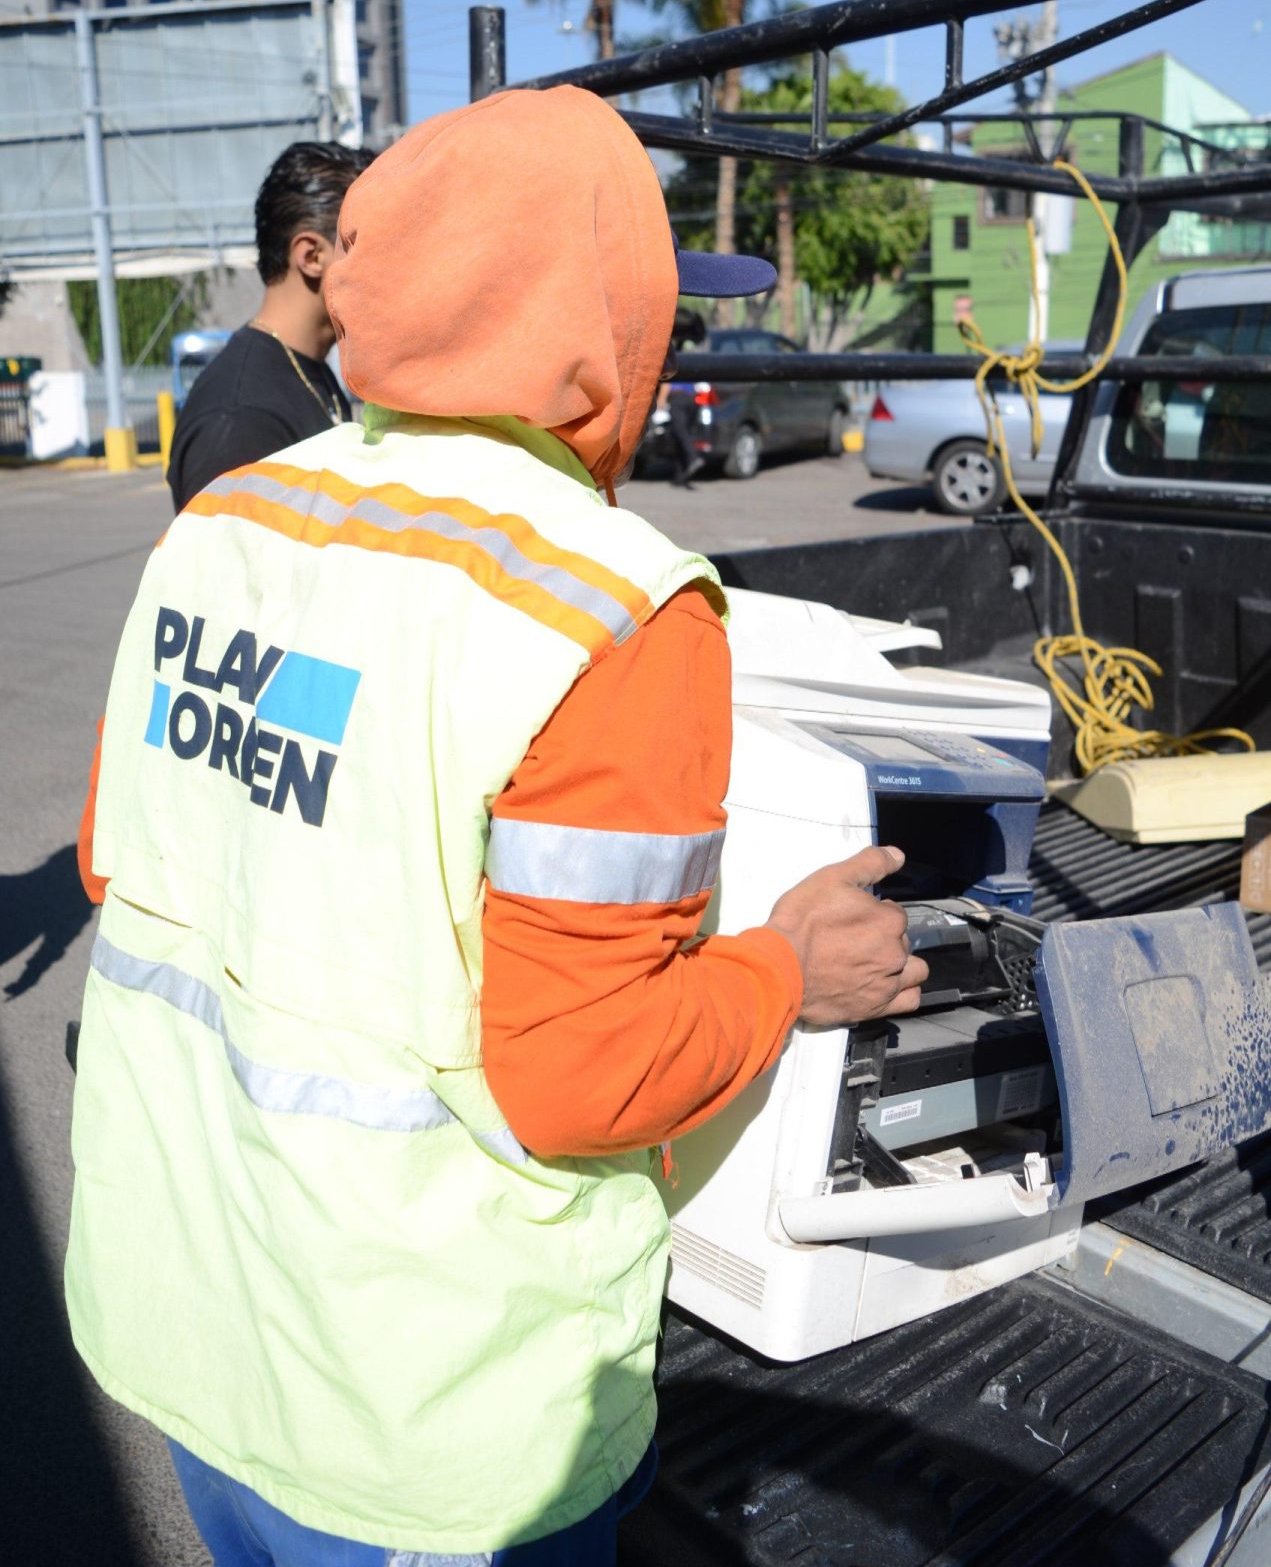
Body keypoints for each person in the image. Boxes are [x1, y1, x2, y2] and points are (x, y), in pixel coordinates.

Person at [67, 87, 926, 1566]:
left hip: (190, 1333)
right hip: (426, 1427)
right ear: (607, 327)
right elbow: (582, 1077)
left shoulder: (228, 524)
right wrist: (788, 968)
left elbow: (120, 863)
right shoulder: (602, 607)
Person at [166, 140, 374, 512]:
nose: (389, 265)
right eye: (371, 245)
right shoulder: (240, 419)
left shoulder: (311, 373)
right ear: (312, 256)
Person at [656, 306, 709, 488]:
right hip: (691, 397)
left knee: (680, 432)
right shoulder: (688, 349)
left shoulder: (673, 349)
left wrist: (661, 399)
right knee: (681, 433)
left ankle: (693, 458)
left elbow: (668, 379)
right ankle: (680, 476)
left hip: (678, 398)